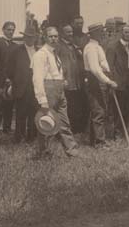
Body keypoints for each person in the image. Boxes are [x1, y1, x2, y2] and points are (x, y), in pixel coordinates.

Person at [32, 27, 79, 157]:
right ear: (45, 37)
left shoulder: (54, 54)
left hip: (59, 90)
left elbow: (55, 72)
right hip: (48, 91)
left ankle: (72, 150)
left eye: (56, 36)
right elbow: (37, 79)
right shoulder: (40, 54)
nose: (54, 39)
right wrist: (42, 100)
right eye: (51, 36)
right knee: (47, 122)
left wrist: (61, 80)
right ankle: (44, 152)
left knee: (64, 122)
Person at [84, 23, 118, 147]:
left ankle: (95, 140)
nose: (103, 33)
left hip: (100, 80)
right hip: (94, 81)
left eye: (103, 30)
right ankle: (100, 142)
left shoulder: (97, 46)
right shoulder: (90, 48)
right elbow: (95, 69)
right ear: (93, 34)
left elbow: (103, 65)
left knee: (100, 110)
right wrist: (108, 81)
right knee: (98, 112)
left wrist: (108, 77)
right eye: (100, 31)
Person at [6, 24, 40, 142]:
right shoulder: (16, 51)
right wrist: (14, 82)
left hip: (35, 87)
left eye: (32, 37)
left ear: (35, 38)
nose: (30, 39)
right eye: (28, 37)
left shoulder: (39, 50)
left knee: (34, 112)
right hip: (21, 87)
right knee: (21, 113)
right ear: (24, 37)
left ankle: (31, 137)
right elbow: (9, 69)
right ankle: (19, 137)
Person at [105, 24, 129, 138]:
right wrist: (112, 82)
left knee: (127, 107)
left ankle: (124, 129)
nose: (128, 35)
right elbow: (109, 67)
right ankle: (117, 132)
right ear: (121, 33)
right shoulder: (113, 47)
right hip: (118, 82)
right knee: (117, 109)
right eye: (126, 32)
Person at [57, 24, 83, 134]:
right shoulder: (58, 46)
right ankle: (63, 130)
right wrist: (62, 79)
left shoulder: (74, 46)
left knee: (74, 106)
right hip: (66, 82)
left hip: (75, 82)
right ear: (62, 33)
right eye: (68, 32)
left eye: (71, 32)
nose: (71, 34)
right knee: (65, 107)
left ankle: (74, 129)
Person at [0, 21, 17, 134]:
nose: (11, 32)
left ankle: (7, 129)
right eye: (9, 29)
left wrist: (12, 79)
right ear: (3, 30)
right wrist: (4, 78)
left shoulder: (15, 46)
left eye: (13, 30)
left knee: (9, 105)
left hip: (11, 81)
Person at [71, 16, 91, 134]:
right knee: (74, 101)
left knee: (84, 100)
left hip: (84, 71)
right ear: (73, 24)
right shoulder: (70, 37)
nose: (80, 25)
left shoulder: (86, 37)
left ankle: (83, 127)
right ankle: (74, 127)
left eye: (81, 23)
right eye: (77, 23)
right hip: (73, 73)